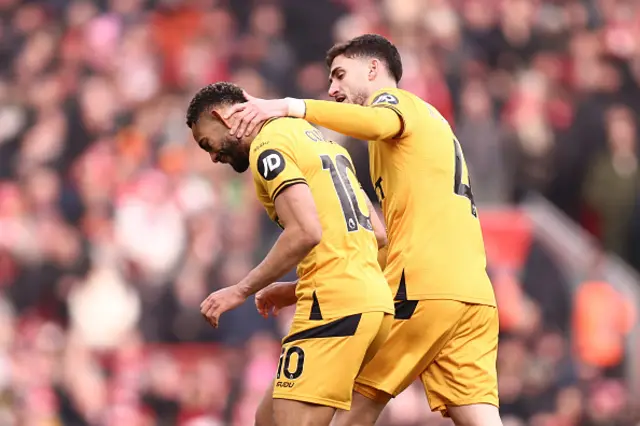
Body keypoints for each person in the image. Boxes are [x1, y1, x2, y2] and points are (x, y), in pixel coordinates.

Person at [225, 34, 503, 426]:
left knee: (354, 400)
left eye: (340, 75)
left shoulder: (395, 103)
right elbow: (392, 238)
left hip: (423, 285)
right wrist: (294, 289)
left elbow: (375, 122)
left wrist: (290, 107)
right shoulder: (428, 127)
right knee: (480, 417)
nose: (332, 88)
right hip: (472, 292)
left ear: (373, 69)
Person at [187, 82, 395, 426]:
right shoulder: (315, 139)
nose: (212, 156)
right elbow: (376, 234)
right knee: (266, 419)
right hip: (372, 304)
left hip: (333, 306)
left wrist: (239, 289)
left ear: (220, 116)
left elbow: (305, 231)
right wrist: (294, 287)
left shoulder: (268, 146)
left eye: (207, 143)